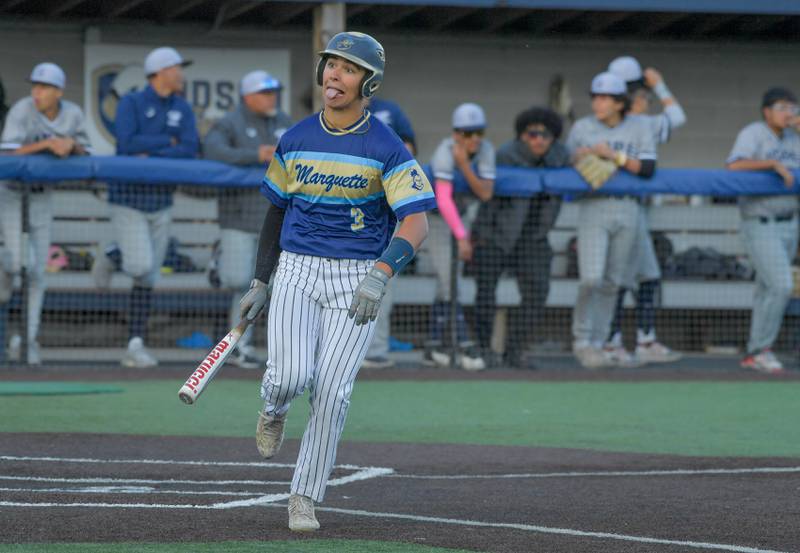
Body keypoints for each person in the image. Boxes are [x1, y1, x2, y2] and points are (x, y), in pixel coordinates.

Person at [238, 31, 434, 531]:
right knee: (287, 377)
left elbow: (417, 222)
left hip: (356, 279)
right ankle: (273, 406)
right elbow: (274, 216)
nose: (334, 76)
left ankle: (303, 496)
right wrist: (260, 282)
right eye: (330, 65)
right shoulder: (296, 138)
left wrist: (381, 275)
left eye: (348, 69)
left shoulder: (387, 146)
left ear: (369, 82)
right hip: (297, 269)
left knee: (333, 389)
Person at [91, 47, 199, 368]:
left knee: (148, 276)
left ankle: (135, 343)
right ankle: (113, 253)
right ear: (160, 72)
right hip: (128, 198)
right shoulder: (132, 101)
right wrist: (169, 143)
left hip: (161, 199)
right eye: (176, 68)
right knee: (139, 266)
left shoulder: (182, 106)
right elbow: (126, 143)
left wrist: (152, 150)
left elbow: (191, 147)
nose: (180, 74)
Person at [0, 62, 91, 364]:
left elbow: (86, 153)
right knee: (18, 264)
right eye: (35, 86)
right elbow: (7, 152)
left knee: (37, 273)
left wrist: (70, 144)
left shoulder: (73, 113)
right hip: (12, 194)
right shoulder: (22, 110)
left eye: (44, 87)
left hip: (42, 197)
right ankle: (4, 262)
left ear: (59, 91)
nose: (37, 92)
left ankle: (27, 339)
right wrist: (48, 144)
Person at [566, 72, 657, 369]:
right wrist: (581, 156)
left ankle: (600, 342)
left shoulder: (640, 127)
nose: (598, 102)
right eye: (596, 96)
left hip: (629, 208)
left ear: (620, 103)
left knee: (613, 281)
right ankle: (581, 340)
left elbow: (647, 168)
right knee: (591, 277)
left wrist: (613, 156)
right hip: (594, 205)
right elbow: (563, 163)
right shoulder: (581, 128)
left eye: (605, 98)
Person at [203, 70, 292, 369]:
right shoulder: (230, 123)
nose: (272, 98)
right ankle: (238, 345)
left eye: (274, 92)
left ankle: (264, 350)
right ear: (248, 96)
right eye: (265, 93)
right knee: (240, 282)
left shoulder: (284, 122)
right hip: (238, 218)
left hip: (276, 220)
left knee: (278, 288)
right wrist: (254, 154)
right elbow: (213, 150)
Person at [472, 107, 568, 369]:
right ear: (522, 135)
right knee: (485, 293)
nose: (539, 139)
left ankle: (514, 350)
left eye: (545, 135)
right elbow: (487, 201)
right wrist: (478, 236)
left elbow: (581, 167)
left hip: (533, 237)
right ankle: (483, 350)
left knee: (537, 292)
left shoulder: (561, 157)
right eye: (532, 134)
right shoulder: (505, 154)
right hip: (496, 234)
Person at [605, 56, 686, 365]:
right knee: (620, 279)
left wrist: (657, 86)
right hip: (610, 208)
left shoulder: (642, 123)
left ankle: (642, 339)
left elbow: (676, 118)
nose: (638, 98)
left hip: (635, 209)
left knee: (646, 276)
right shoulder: (601, 125)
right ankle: (613, 342)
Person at [726, 87, 800, 374]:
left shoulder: (794, 137)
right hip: (760, 222)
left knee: (767, 288)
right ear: (767, 110)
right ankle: (759, 349)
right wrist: (770, 163)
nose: (788, 113)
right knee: (781, 285)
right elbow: (733, 166)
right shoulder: (753, 133)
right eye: (782, 107)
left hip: (790, 222)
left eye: (792, 107)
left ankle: (756, 350)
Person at [425, 102, 495, 371]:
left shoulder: (485, 151)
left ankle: (434, 346)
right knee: (450, 283)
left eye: (478, 132)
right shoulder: (444, 152)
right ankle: (463, 345)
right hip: (435, 218)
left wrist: (465, 166)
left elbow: (486, 192)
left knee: (447, 284)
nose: (475, 138)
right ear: (456, 134)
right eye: (468, 133)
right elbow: (443, 199)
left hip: (460, 216)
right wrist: (462, 236)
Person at [360, 95, 418, 370]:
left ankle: (376, 349)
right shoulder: (332, 117)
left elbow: (409, 146)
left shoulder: (389, 111)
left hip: (384, 209)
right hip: (348, 209)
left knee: (382, 282)